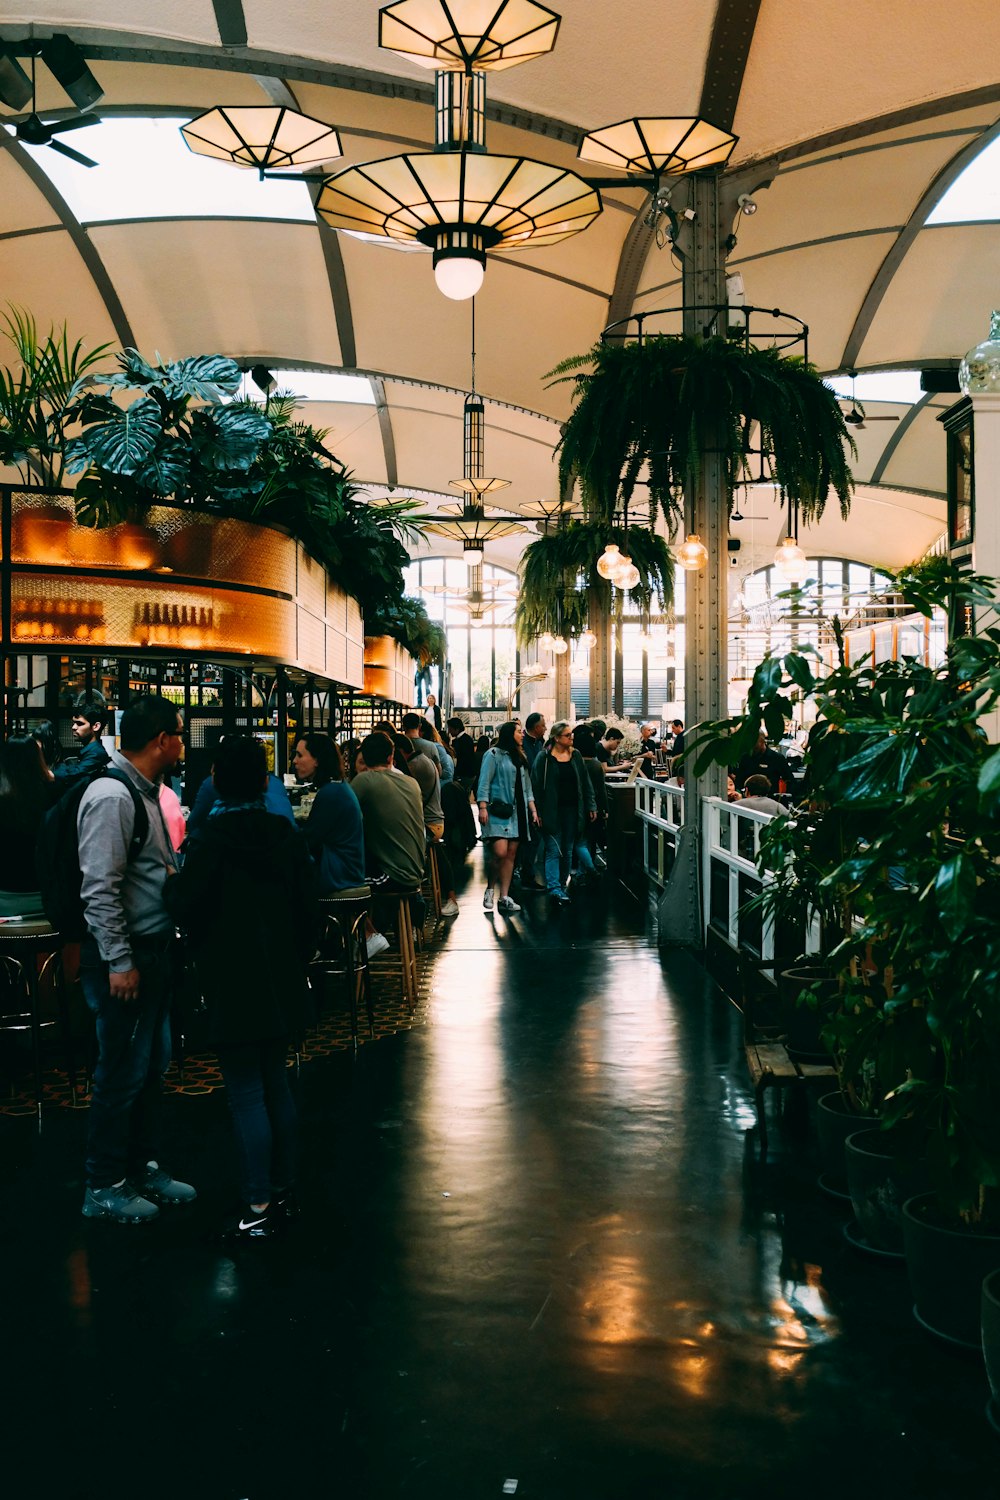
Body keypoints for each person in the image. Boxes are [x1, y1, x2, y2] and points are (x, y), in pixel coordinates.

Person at [164, 735, 320, 1241]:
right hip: (282, 979)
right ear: (264, 778)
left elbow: (184, 905)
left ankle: (256, 1203)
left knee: (246, 1093)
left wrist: (170, 878)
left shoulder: (209, 840)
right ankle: (286, 1189)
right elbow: (307, 912)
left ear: (217, 779)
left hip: (231, 982)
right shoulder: (286, 833)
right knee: (276, 1084)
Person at [77, 693, 195, 1224]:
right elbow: (99, 888)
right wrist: (119, 960)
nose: (183, 742)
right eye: (178, 732)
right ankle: (103, 1184)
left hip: (154, 951)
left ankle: (141, 1166)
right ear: (161, 741)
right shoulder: (113, 795)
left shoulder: (146, 791)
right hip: (128, 961)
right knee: (121, 1072)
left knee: (149, 1067)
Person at [352, 731, 427, 894]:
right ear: (391, 757)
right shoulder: (411, 782)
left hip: (393, 876)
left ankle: (358, 919)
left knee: (338, 877)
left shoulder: (364, 781)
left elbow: (341, 817)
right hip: (418, 871)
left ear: (364, 757)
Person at [531, 721, 597, 904]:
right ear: (557, 738)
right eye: (568, 735)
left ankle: (560, 885)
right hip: (551, 810)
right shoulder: (544, 758)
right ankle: (554, 887)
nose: (571, 738)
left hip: (573, 810)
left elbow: (585, 782)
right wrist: (536, 810)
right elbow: (535, 785)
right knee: (554, 849)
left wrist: (591, 805)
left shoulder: (575, 756)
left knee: (567, 849)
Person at [477, 720, 538, 915]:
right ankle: (490, 888)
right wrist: (482, 806)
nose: (522, 735)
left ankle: (504, 896)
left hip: (517, 812)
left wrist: (533, 810)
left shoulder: (519, 756)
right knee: (500, 852)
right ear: (509, 734)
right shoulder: (493, 755)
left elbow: (527, 787)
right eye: (519, 732)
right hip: (499, 810)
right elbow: (484, 781)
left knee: (511, 854)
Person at [394, 734, 460, 916]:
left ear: (399, 751)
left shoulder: (414, 766)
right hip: (436, 821)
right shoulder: (425, 759)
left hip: (429, 824)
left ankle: (412, 909)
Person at [292, 733, 366, 895]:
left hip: (337, 874)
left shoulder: (331, 793)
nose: (294, 761)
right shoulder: (338, 787)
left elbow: (309, 839)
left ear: (317, 760)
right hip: (347, 869)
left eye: (300, 755)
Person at [186, 736, 294, 845]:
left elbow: (193, 823)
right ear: (266, 783)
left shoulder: (203, 841)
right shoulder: (287, 835)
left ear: (213, 781)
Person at [0, 733, 60, 916]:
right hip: (45, 893)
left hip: (4, 892)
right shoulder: (52, 793)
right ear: (36, 758)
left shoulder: (3, 798)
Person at [572, 725, 608, 871]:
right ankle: (589, 868)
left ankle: (577, 869)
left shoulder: (573, 763)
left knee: (577, 839)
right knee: (590, 839)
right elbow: (601, 789)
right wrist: (605, 809)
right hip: (594, 808)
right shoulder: (596, 765)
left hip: (575, 806)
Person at [55, 699, 110, 781]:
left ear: (96, 726)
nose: (73, 727)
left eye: (80, 724)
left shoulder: (97, 754)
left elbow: (72, 775)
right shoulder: (91, 751)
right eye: (74, 723)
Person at [401, 712, 453, 784]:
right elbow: (439, 772)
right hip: (426, 789)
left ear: (403, 726)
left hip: (404, 787)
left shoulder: (397, 744)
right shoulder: (431, 746)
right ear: (419, 726)